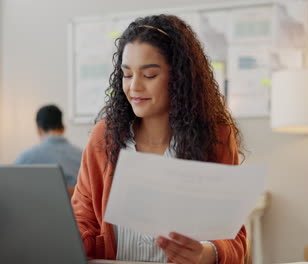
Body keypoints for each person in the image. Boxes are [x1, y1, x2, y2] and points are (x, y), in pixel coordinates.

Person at [71, 15, 247, 264]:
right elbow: (82, 220)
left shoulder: (214, 137)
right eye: (127, 74)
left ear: (179, 78)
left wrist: (206, 254)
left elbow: (234, 239)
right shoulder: (104, 137)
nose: (134, 87)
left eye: (150, 75)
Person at [15, 105, 82, 197]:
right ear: (63, 128)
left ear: (38, 129)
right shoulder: (83, 157)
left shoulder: (25, 158)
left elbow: (12, 189)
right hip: (74, 210)